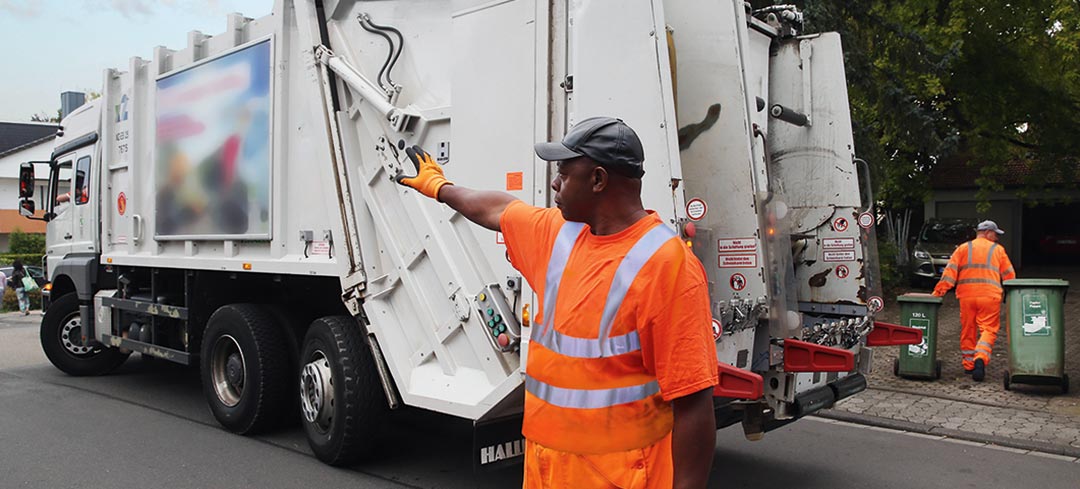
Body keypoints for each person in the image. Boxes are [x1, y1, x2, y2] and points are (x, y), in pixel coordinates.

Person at [398, 117, 719, 489]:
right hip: (547, 473)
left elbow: (694, 405)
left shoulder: (668, 266)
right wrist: (441, 188)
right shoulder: (560, 236)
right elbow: (498, 210)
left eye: (564, 174)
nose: (554, 183)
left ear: (598, 180)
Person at [932, 220, 1016, 381]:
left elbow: (949, 273)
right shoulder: (998, 250)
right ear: (987, 233)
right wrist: (1012, 294)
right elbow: (1009, 275)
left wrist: (938, 293)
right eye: (995, 234)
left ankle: (969, 365)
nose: (997, 238)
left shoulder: (963, 248)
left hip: (967, 296)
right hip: (990, 296)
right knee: (988, 329)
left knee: (968, 329)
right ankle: (980, 358)